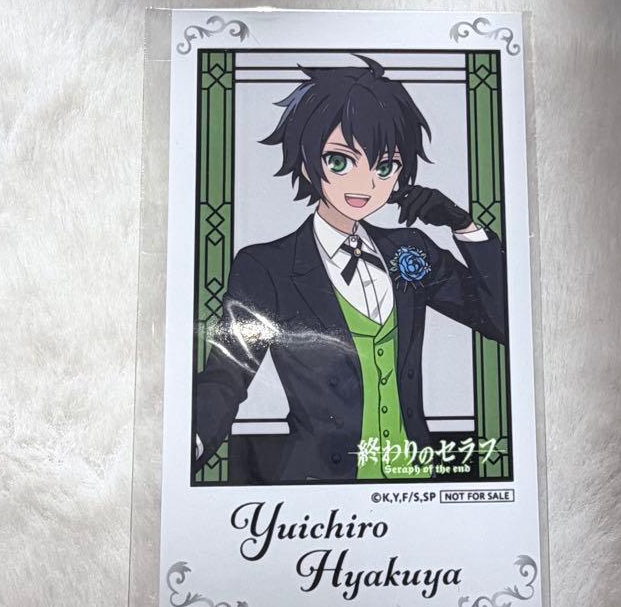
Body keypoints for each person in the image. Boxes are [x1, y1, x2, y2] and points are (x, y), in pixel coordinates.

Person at [193, 55, 506, 483]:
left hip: (418, 482)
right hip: (320, 489)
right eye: (340, 161)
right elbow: (229, 370)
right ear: (307, 163)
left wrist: (464, 226)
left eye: (384, 167)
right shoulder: (267, 267)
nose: (365, 184)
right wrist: (193, 440)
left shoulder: (409, 248)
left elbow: (503, 321)